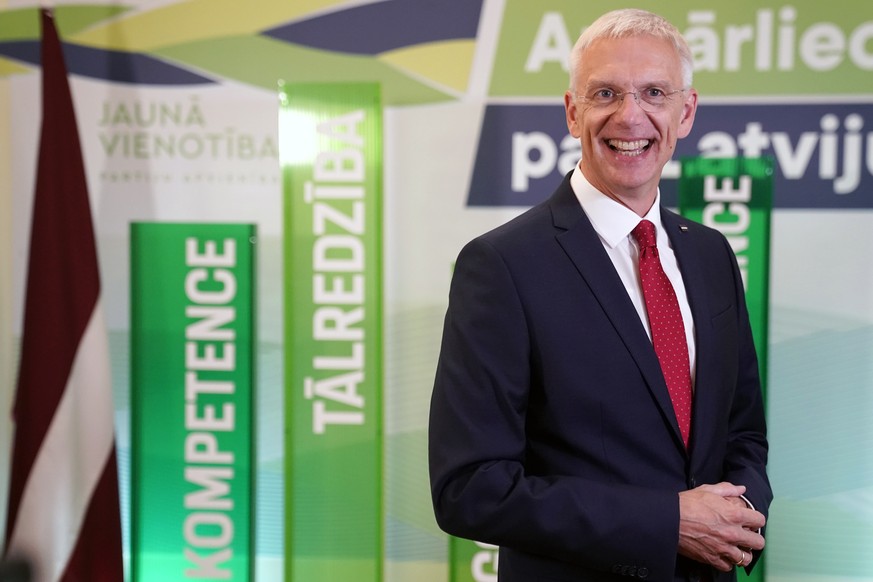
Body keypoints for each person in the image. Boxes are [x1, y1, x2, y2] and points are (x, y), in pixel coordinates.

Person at [428, 8, 771, 582]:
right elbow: (470, 487)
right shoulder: (502, 266)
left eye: (654, 93)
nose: (630, 116)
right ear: (572, 112)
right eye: (605, 93)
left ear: (685, 112)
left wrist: (739, 518)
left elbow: (742, 432)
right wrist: (666, 523)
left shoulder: (711, 255)